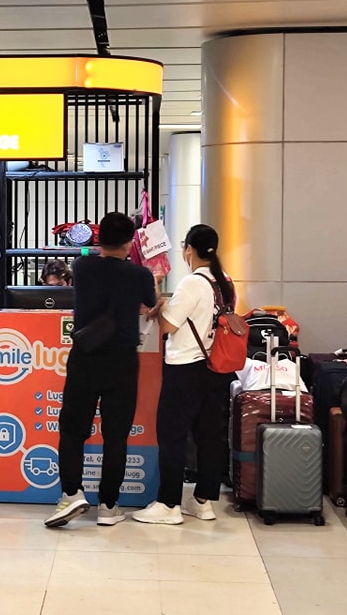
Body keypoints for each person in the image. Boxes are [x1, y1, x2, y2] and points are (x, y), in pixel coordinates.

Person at [44, 212, 158, 528]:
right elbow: (151, 302)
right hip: (122, 361)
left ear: (99, 239)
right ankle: (108, 506)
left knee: (72, 429)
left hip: (85, 356)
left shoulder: (82, 267)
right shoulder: (139, 275)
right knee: (116, 436)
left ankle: (71, 494)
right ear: (129, 242)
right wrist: (155, 277)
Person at [132, 223, 235, 525]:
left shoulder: (192, 283)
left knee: (172, 436)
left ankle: (168, 504)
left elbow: (168, 326)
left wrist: (159, 298)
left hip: (185, 369)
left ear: (189, 249)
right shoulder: (225, 281)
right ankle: (203, 502)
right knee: (209, 437)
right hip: (216, 368)